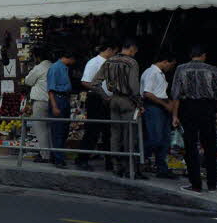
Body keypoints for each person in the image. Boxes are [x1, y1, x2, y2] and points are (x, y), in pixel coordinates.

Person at [171, 44, 217, 194]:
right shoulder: (212, 69)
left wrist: (174, 115)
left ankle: (195, 185)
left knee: (190, 147)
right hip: (208, 109)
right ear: (203, 55)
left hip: (189, 109)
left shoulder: (181, 69)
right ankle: (212, 184)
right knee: (210, 146)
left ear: (190, 55)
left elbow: (176, 95)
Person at [95, 38, 144, 179]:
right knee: (129, 135)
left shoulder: (109, 61)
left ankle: (116, 166)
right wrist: (139, 104)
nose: (135, 53)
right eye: (135, 51)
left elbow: (95, 83)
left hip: (114, 100)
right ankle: (129, 168)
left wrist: (106, 97)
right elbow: (134, 88)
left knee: (115, 135)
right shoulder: (132, 63)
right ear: (132, 49)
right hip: (127, 101)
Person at [77, 40, 115, 170]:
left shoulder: (109, 63)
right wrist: (102, 93)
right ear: (109, 50)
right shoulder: (94, 62)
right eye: (114, 51)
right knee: (93, 130)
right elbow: (86, 81)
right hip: (96, 99)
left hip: (107, 99)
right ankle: (82, 159)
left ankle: (109, 161)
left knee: (108, 132)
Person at [141, 51, 177, 179]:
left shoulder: (159, 74)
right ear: (165, 61)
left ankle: (162, 168)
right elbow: (147, 93)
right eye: (171, 64)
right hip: (154, 107)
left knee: (164, 140)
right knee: (155, 139)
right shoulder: (153, 72)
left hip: (161, 107)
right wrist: (165, 104)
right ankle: (137, 161)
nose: (171, 67)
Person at [21, 46, 53, 163]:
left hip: (40, 101)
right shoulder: (52, 65)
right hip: (51, 101)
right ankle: (51, 152)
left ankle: (45, 155)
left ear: (37, 57)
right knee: (49, 129)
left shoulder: (39, 67)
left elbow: (28, 81)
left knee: (40, 129)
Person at [46, 52, 77, 167]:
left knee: (64, 130)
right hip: (58, 99)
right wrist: (54, 106)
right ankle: (58, 159)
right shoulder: (55, 68)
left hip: (64, 98)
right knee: (58, 130)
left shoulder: (64, 68)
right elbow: (51, 89)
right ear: (69, 57)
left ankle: (57, 156)